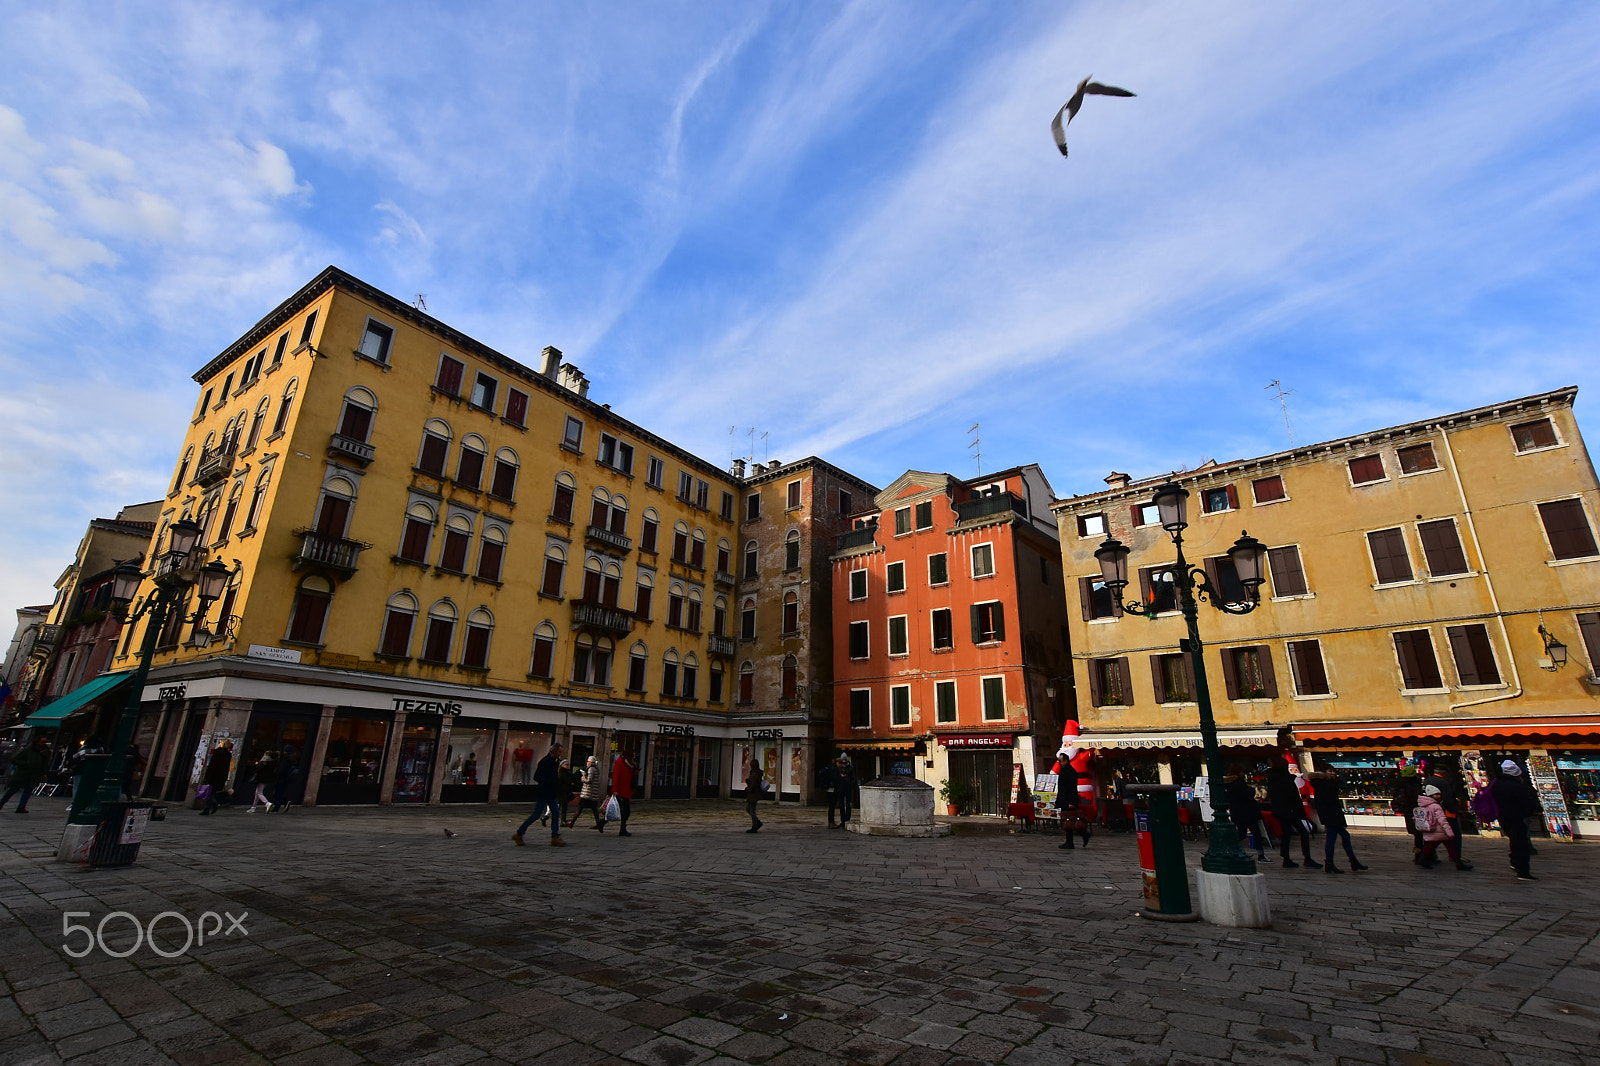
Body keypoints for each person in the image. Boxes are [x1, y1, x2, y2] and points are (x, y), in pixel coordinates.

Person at [1307, 770, 1368, 873]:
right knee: (1332, 838)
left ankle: (1352, 861)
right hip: (1333, 816)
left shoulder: (1318, 785)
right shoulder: (1326, 786)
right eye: (1329, 772)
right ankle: (1331, 863)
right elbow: (1332, 802)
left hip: (1328, 816)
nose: (1332, 774)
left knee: (1343, 836)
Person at [1489, 759, 1540, 881]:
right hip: (1516, 816)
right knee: (1521, 844)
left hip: (1503, 816)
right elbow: (1525, 802)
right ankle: (1522, 871)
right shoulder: (1516, 786)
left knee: (1514, 841)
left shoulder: (1496, 784)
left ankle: (1515, 861)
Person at [1266, 760, 1320, 868]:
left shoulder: (1273, 779)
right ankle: (1306, 857)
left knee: (1286, 833)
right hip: (1290, 810)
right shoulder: (1285, 779)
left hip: (1281, 811)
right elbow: (1292, 797)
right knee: (1302, 832)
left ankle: (1286, 857)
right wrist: (1299, 810)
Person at [512, 743, 566, 846]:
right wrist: (548, 782)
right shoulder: (545, 762)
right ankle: (519, 833)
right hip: (544, 792)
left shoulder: (555, 762)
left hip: (551, 792)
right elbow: (536, 777)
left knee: (555, 813)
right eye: (559, 751)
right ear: (554, 751)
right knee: (537, 814)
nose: (560, 754)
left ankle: (555, 836)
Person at [1416, 785, 1473, 870]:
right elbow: (1442, 820)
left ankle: (1423, 860)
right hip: (1440, 831)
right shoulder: (1436, 806)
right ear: (1431, 796)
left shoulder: (1424, 805)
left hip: (1431, 830)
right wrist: (1449, 831)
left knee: (1429, 846)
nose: (1438, 796)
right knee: (1451, 847)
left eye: (1439, 794)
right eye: (1436, 794)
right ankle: (1458, 863)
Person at [1224, 767, 1274, 863]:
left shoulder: (1229, 784)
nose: (1243, 773)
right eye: (1242, 771)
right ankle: (1260, 855)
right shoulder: (1239, 784)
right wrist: (1252, 790)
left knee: (1242, 833)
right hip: (1248, 812)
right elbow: (1246, 795)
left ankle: (1230, 848)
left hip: (1238, 813)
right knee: (1256, 833)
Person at [1424, 762, 1466, 863]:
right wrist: (1454, 808)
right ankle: (1456, 857)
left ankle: (1428, 855)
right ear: (1444, 773)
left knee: (1435, 836)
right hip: (1446, 813)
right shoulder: (1444, 783)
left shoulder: (1427, 781)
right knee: (1454, 835)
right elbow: (1448, 799)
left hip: (1431, 812)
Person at [0, 738, 49, 813]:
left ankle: (21, 807)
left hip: (34, 775)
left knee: (28, 791)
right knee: (13, 790)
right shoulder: (27, 750)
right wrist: (25, 763)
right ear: (36, 742)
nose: (44, 743)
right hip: (22, 774)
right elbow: (14, 759)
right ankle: (1, 803)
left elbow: (44, 764)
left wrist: (44, 773)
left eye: (45, 742)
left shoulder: (44, 752)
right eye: (42, 742)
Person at [1056, 746, 1091, 849]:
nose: (1059, 763)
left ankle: (1083, 835)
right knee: (1068, 821)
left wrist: (1071, 802)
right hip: (1064, 799)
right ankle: (1069, 841)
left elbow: (1071, 788)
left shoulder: (1070, 772)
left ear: (1066, 761)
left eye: (1060, 761)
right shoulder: (1063, 771)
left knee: (1072, 820)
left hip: (1069, 800)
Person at [1392, 765, 1425, 864]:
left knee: (1417, 835)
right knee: (1421, 834)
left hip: (1408, 812)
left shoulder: (1399, 785)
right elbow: (1418, 799)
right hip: (1417, 812)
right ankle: (1422, 856)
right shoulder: (1414, 786)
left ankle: (1419, 855)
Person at [200, 740, 233, 815]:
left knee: (210, 792)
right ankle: (207, 809)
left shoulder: (217, 752)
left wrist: (207, 776)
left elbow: (212, 765)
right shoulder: (228, 754)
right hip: (221, 776)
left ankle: (213, 803)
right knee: (213, 792)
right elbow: (226, 767)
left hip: (213, 775)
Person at [574, 755, 606, 831]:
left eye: (588, 761)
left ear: (590, 762)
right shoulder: (595, 768)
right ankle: (599, 823)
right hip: (592, 793)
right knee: (594, 809)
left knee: (580, 808)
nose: (587, 763)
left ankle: (571, 823)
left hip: (588, 793)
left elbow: (589, 780)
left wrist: (583, 779)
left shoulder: (591, 769)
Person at [609, 749, 635, 837]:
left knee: (622, 811)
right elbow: (616, 776)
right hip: (620, 791)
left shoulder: (629, 764)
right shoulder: (620, 762)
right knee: (623, 811)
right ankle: (622, 829)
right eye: (633, 755)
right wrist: (615, 790)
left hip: (625, 790)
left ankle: (622, 829)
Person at [272, 745, 301, 812]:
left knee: (277, 793)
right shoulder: (292, 758)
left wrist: (276, 775)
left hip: (281, 778)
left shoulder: (285, 758)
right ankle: (283, 804)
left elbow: (281, 769)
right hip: (287, 778)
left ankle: (279, 806)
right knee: (280, 792)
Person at [834, 756, 857, 829]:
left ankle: (847, 818)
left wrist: (851, 785)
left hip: (848, 787)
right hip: (841, 788)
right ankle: (843, 820)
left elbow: (853, 778)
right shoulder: (839, 768)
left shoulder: (850, 768)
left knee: (848, 804)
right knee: (841, 804)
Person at [558, 758, 581, 827]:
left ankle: (563, 820)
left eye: (568, 765)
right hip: (561, 792)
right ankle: (560, 820)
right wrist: (570, 783)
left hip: (566, 792)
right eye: (566, 765)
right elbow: (563, 781)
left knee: (564, 807)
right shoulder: (561, 773)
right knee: (560, 807)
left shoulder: (567, 772)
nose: (567, 766)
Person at [745, 758, 765, 833]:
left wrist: (747, 789)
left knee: (751, 810)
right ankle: (757, 822)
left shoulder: (755, 773)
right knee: (749, 809)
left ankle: (755, 825)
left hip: (753, 794)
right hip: (754, 794)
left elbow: (753, 785)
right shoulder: (755, 773)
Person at [820, 758, 840, 828]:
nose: (840, 765)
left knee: (831, 806)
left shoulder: (830, 768)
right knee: (832, 806)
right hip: (833, 789)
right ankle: (831, 822)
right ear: (837, 763)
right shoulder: (834, 769)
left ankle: (831, 822)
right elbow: (835, 779)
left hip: (829, 789)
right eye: (839, 763)